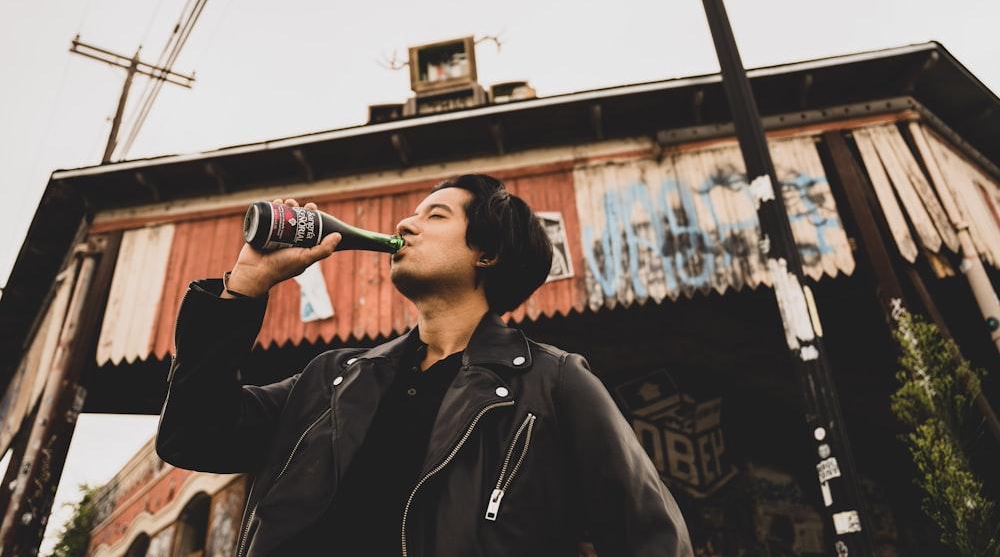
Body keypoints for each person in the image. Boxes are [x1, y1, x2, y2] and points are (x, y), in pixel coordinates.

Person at [156, 173, 693, 556]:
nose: (405, 226)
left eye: (434, 215)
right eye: (411, 215)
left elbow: (650, 536)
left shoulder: (553, 383)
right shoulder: (332, 378)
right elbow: (194, 437)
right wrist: (244, 287)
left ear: (489, 253)